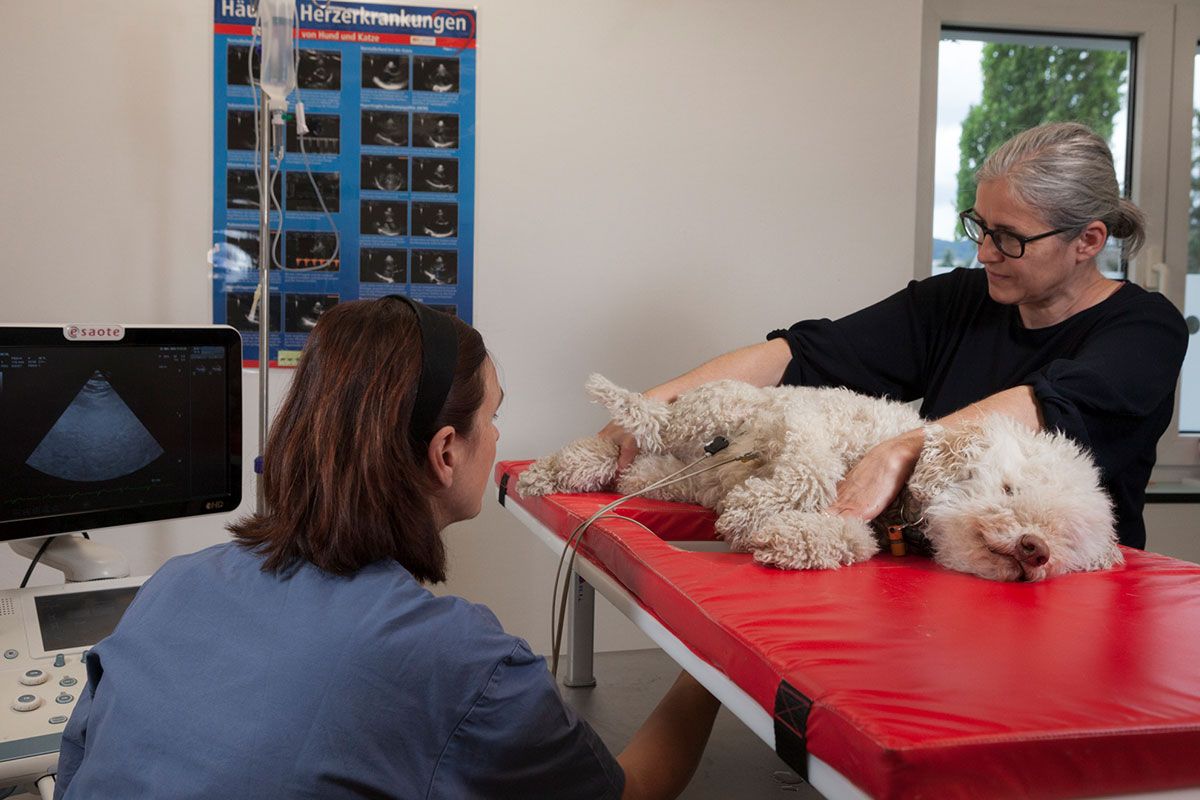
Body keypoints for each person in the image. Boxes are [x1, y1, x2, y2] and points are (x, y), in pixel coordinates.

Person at [53, 297, 720, 800]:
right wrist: (710, 665)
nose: (497, 438)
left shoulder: (175, 583)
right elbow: (628, 793)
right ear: (445, 452)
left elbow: (80, 763)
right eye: (493, 417)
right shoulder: (460, 661)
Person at [602, 122, 1187, 551]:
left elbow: (1050, 401)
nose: (985, 252)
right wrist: (656, 402)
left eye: (1009, 237)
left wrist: (902, 449)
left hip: (1063, 579)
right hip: (937, 564)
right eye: (980, 227)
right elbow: (804, 354)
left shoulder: (1146, 330)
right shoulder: (960, 299)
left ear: (1087, 241)